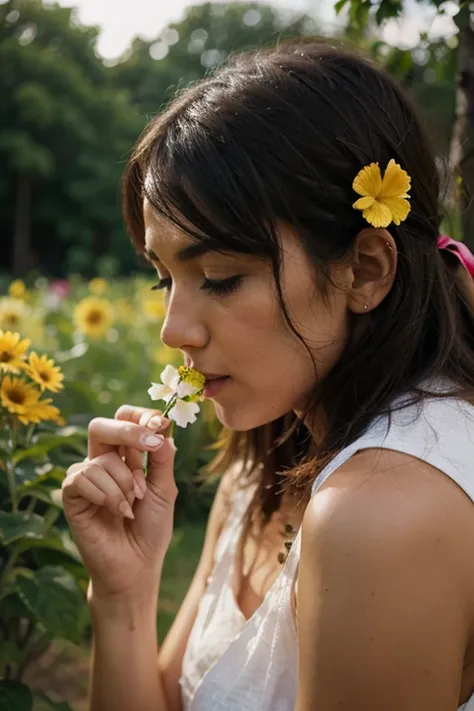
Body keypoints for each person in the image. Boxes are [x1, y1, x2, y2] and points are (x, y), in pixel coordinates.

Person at [62, 39, 474, 711]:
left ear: (365, 268)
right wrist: (124, 597)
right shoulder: (264, 464)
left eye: (219, 278)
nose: (174, 330)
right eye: (166, 279)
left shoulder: (381, 517)